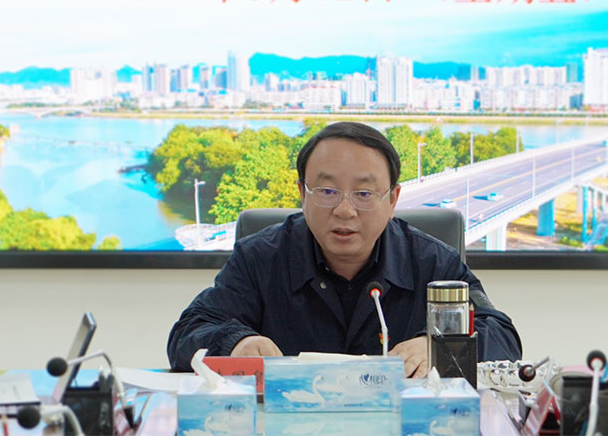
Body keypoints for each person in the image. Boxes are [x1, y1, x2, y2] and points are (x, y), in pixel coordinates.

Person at [168, 122, 522, 377]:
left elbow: (502, 336)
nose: (345, 210)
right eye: (327, 191)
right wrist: (237, 343)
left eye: (364, 194)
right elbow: (188, 332)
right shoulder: (260, 257)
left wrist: (438, 348)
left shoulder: (432, 261)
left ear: (393, 199)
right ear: (302, 193)